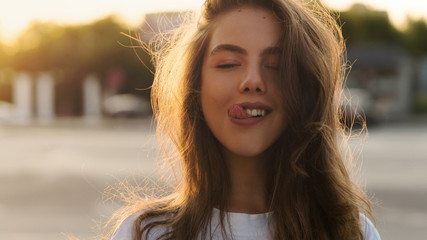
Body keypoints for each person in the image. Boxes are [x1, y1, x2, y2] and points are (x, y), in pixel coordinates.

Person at [106, 0, 381, 239]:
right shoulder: (144, 234)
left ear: (306, 89)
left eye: (275, 66)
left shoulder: (351, 232)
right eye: (228, 63)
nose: (253, 81)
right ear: (195, 84)